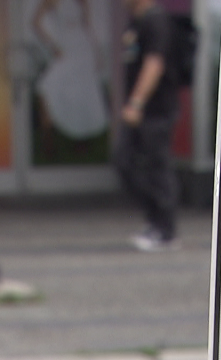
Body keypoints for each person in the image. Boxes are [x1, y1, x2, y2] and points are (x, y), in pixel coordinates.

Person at [114, 0, 180, 252]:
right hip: (138, 111)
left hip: (156, 110)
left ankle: (166, 230)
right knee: (124, 161)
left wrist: (136, 102)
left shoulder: (156, 21)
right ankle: (154, 222)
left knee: (157, 166)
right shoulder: (136, 22)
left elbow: (155, 64)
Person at [32, 0, 109, 142]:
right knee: (46, 86)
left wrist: (97, 52)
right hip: (66, 48)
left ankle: (82, 139)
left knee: (82, 92)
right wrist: (52, 46)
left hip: (84, 48)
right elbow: (35, 23)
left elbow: (87, 25)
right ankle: (48, 136)